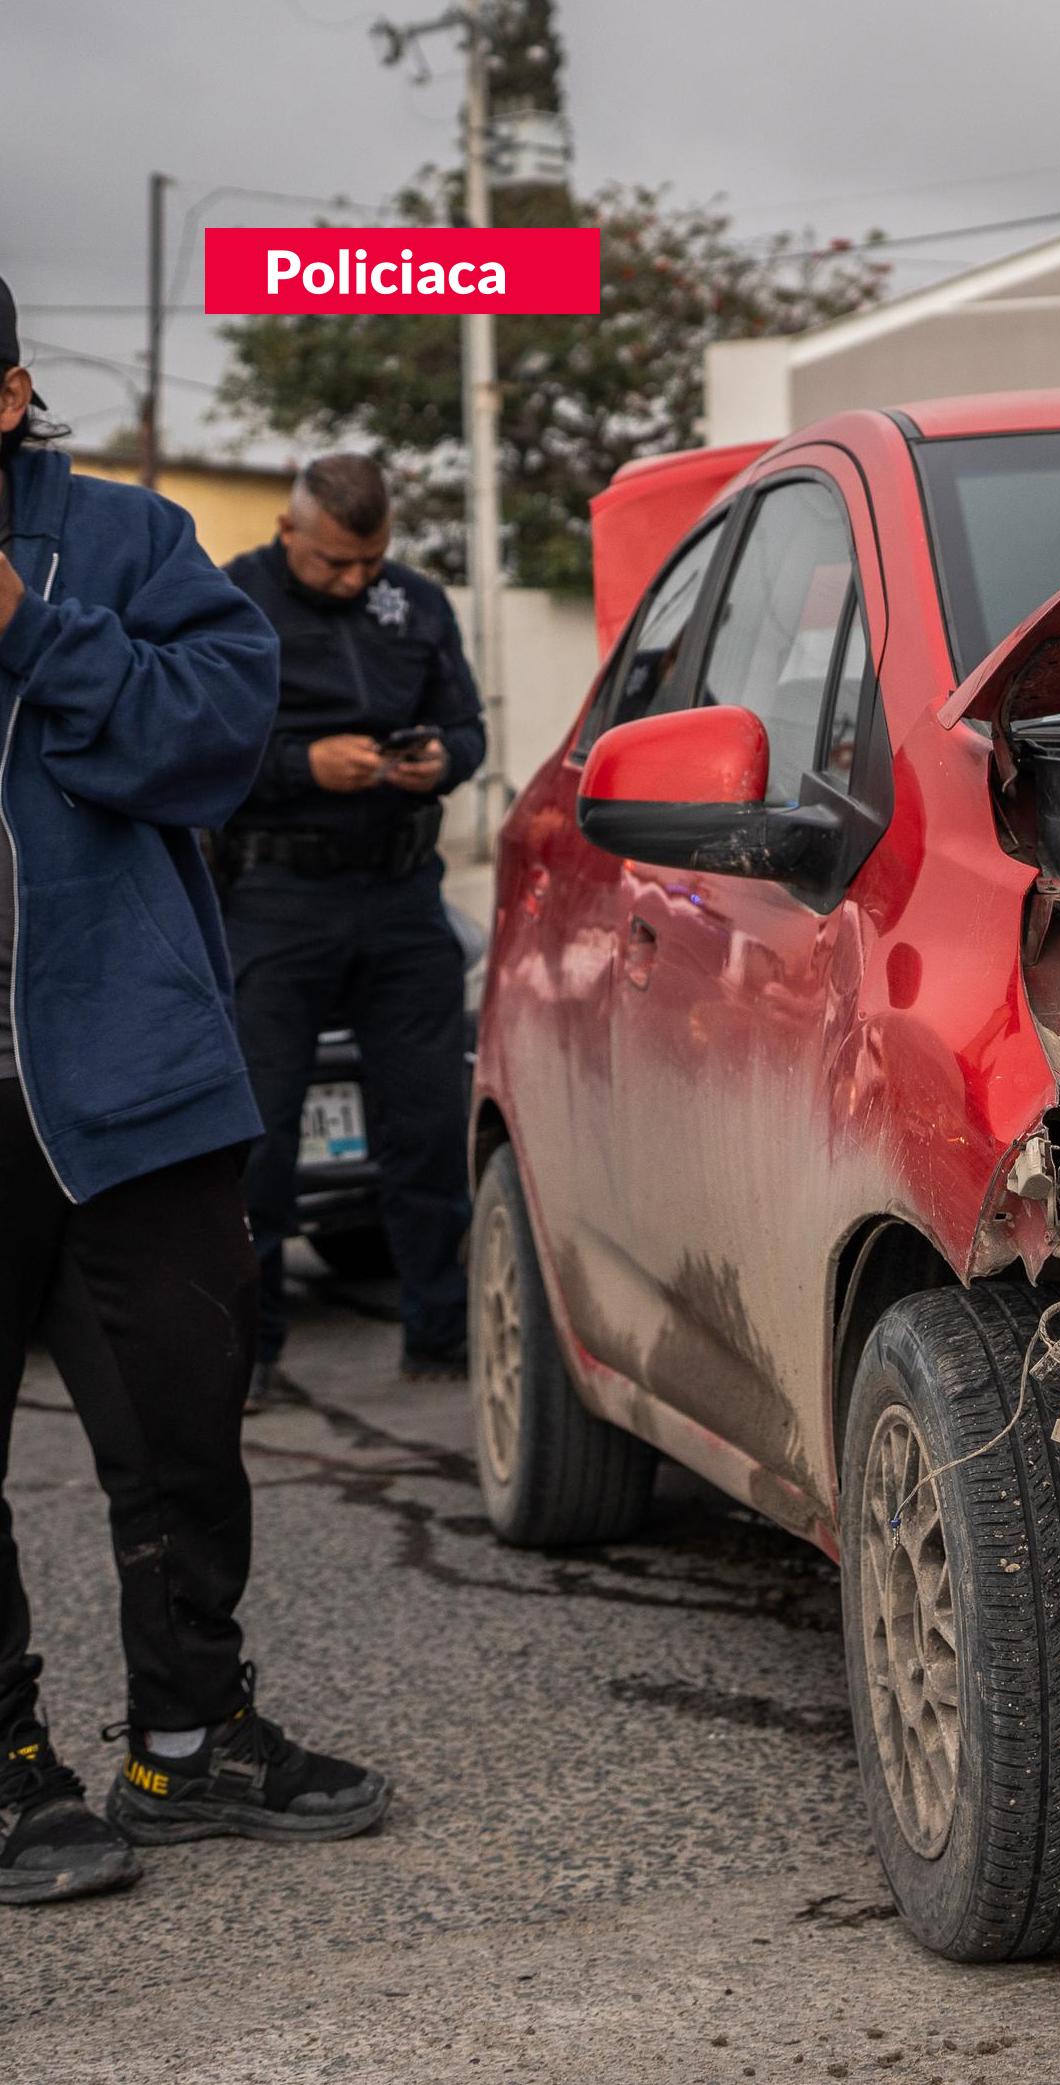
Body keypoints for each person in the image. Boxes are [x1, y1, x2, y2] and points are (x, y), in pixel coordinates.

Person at [0, 277, 392, 1907]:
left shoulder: (131, 545)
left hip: (126, 1076)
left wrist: (27, 625)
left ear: (7, 390)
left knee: (178, 1434)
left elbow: (212, 743)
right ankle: (10, 1771)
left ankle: (192, 1735)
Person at [220, 453, 486, 1395]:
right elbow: (192, 748)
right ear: (290, 531)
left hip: (401, 895)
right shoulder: (228, 598)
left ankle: (441, 1341)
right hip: (275, 900)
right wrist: (301, 766)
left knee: (426, 1127)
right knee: (257, 1142)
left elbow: (467, 729)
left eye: (369, 561)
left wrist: (436, 762)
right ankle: (248, 1356)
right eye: (335, 562)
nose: (354, 579)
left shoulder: (412, 603)